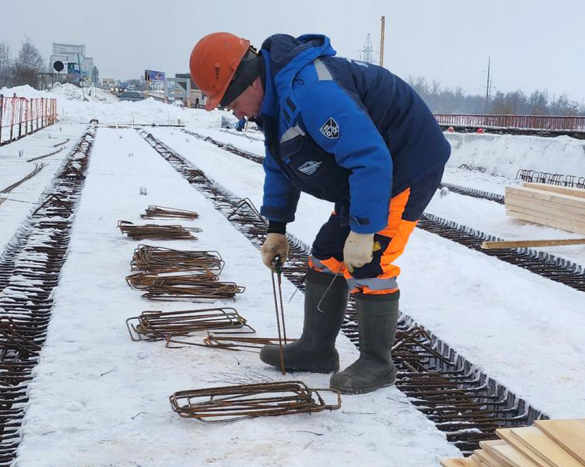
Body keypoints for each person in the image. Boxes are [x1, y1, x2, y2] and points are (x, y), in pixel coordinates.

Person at [189, 32, 450, 394]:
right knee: (327, 253)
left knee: (371, 261)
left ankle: (378, 363)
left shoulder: (313, 93)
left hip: (405, 163)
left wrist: (363, 231)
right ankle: (317, 349)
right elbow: (280, 164)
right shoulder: (276, 102)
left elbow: (370, 158)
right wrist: (276, 227)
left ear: (249, 79)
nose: (233, 112)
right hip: (367, 170)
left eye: (229, 102)